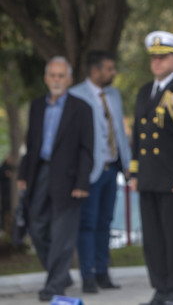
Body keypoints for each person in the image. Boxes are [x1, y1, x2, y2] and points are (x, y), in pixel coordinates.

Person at [17, 56, 94, 301]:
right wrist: (23, 175)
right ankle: (60, 273)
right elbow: (30, 145)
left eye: (62, 76)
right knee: (37, 228)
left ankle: (54, 286)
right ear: (45, 78)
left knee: (63, 233)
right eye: (53, 75)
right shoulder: (37, 106)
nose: (57, 80)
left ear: (69, 79)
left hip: (69, 179)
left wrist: (82, 182)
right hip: (40, 172)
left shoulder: (81, 108)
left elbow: (86, 149)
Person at [129, 31, 173, 305]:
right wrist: (133, 172)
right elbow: (138, 134)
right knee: (153, 240)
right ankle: (160, 288)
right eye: (154, 58)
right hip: (147, 177)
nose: (156, 62)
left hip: (171, 178)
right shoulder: (145, 91)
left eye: (163, 57)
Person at [69, 51, 131, 294]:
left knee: (105, 222)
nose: (113, 73)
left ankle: (103, 271)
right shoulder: (75, 95)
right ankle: (88, 275)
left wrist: (128, 166)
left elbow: (120, 132)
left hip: (111, 169)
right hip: (89, 173)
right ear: (95, 71)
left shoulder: (114, 95)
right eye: (109, 69)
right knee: (88, 223)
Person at [0, 155, 13, 233]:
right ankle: (3, 226)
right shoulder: (3, 167)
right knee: (4, 209)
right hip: (4, 192)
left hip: (9, 192)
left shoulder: (10, 167)